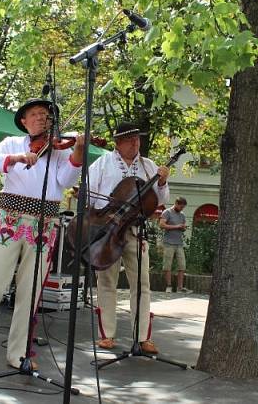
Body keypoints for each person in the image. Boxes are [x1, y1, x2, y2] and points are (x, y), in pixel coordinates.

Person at [0, 98, 84, 370]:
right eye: (35, 114)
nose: (41, 119)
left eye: (46, 115)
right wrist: (14, 158)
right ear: (24, 122)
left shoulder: (59, 151)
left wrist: (79, 153)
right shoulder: (12, 143)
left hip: (45, 223)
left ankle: (20, 354)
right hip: (10, 220)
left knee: (31, 290)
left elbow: (66, 181)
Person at [88, 122, 170, 354]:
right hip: (108, 231)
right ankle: (107, 335)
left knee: (142, 284)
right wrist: (95, 225)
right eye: (130, 139)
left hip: (136, 230)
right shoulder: (102, 163)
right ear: (118, 143)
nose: (136, 143)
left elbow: (161, 198)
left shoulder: (148, 166)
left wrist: (162, 182)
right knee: (106, 282)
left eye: (137, 139)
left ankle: (142, 336)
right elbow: (89, 197)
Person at [159, 197, 190, 293]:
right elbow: (161, 225)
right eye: (181, 207)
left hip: (179, 243)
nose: (181, 209)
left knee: (182, 266)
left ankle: (180, 288)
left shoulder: (182, 215)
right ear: (176, 203)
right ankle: (168, 286)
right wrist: (177, 226)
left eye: (183, 208)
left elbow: (183, 227)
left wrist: (183, 227)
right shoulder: (167, 212)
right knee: (167, 265)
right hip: (168, 243)